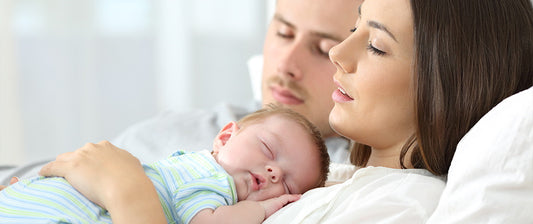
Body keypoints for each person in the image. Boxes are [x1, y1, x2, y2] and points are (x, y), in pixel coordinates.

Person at [34, 0, 533, 223]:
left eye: (376, 46)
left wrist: (127, 190)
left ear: (446, 84)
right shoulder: (338, 179)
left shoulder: (401, 207)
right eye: (354, 27)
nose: (341, 53)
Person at [0, 0, 361, 185]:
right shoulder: (192, 124)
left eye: (323, 48)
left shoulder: (343, 176)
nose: (286, 65)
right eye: (283, 34)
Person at [0, 105, 330, 223]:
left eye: (287, 185)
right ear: (225, 136)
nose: (274, 172)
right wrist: (265, 207)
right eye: (267, 148)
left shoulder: (215, 188)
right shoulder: (215, 181)